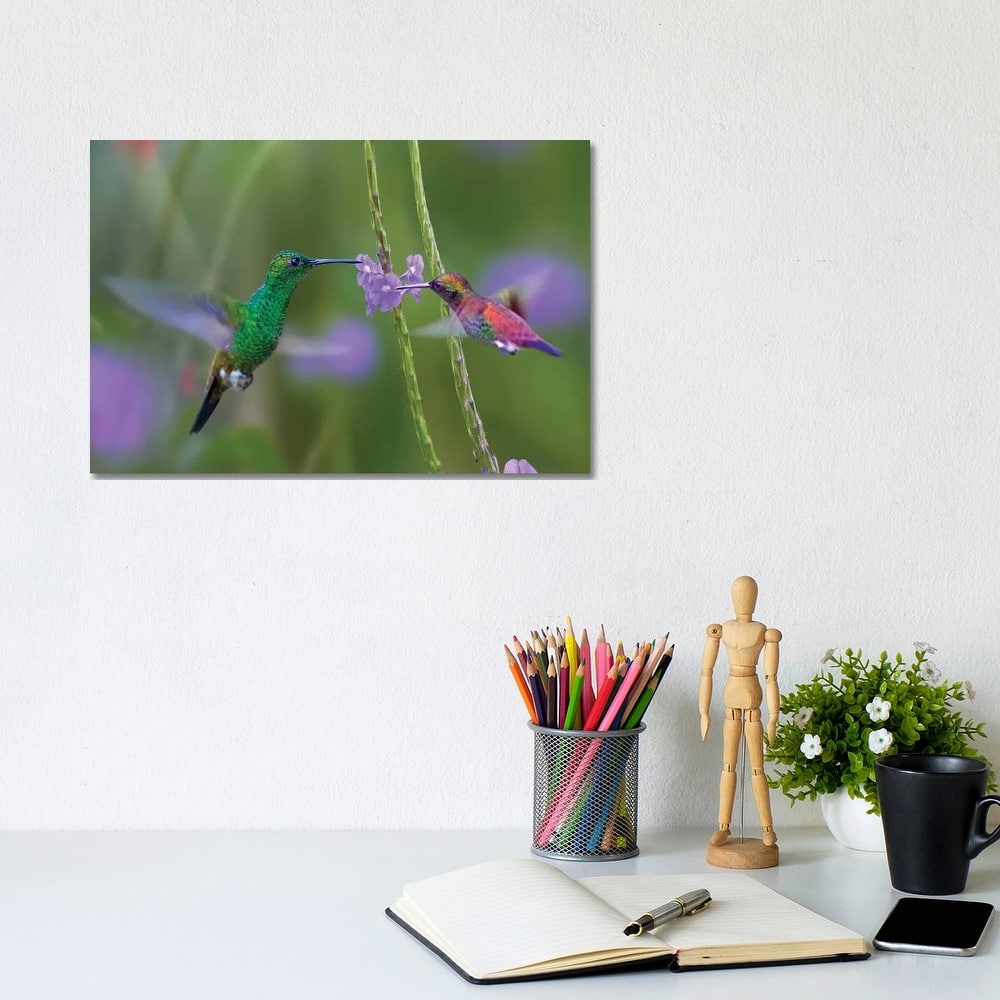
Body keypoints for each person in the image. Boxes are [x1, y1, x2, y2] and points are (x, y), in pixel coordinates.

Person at [700, 576, 781, 851]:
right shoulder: (723, 629)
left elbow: (771, 677)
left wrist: (773, 716)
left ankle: (767, 828)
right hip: (732, 697)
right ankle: (723, 826)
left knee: (757, 768)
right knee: (728, 766)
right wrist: (703, 711)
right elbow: (706, 671)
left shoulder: (763, 632)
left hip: (753, 697)